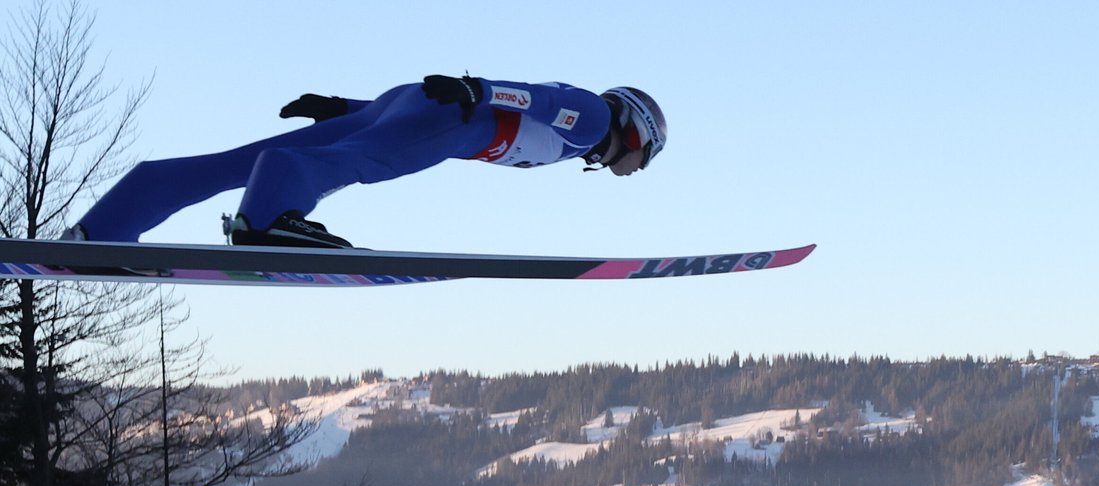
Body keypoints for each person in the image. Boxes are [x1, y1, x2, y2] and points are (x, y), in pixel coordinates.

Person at [60, 75, 667, 248]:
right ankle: (266, 221)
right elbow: (542, 99)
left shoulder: (584, 134)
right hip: (453, 119)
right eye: (645, 158)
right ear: (635, 133)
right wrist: (479, 92)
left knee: (232, 163)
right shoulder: (589, 121)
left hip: (414, 104)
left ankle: (106, 226)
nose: (636, 169)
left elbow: (395, 111)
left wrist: (341, 107)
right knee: (363, 162)